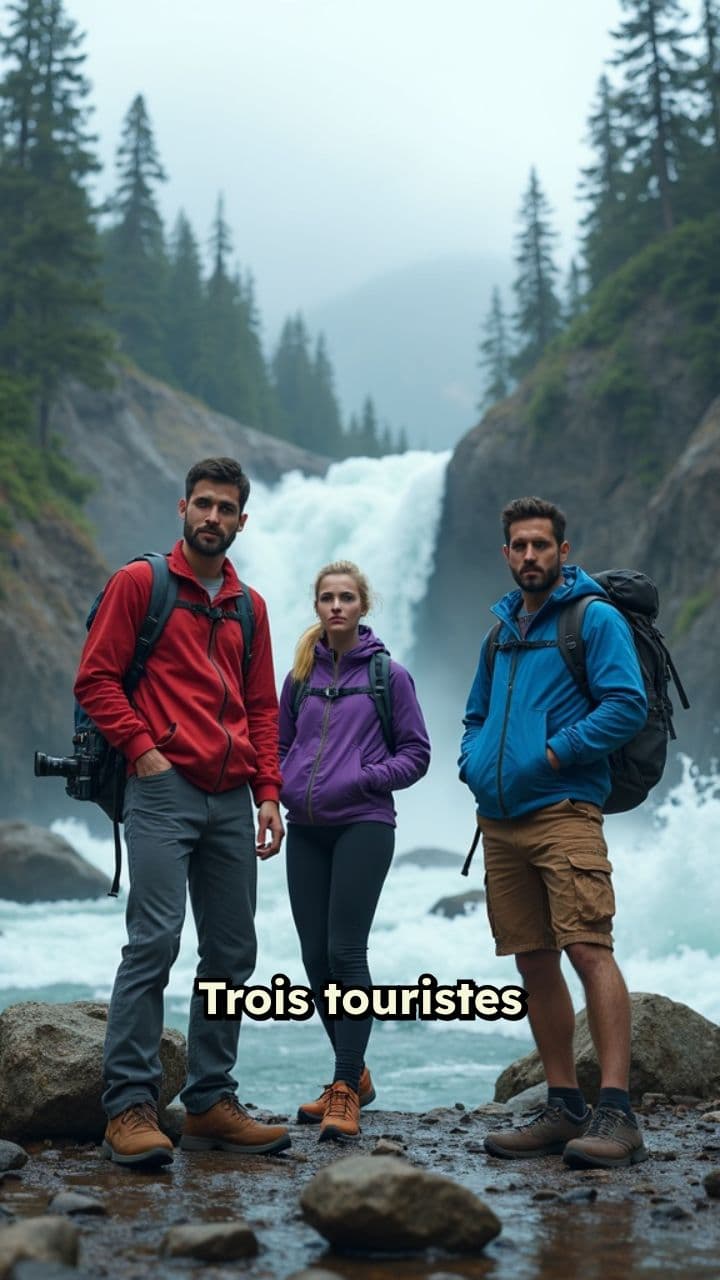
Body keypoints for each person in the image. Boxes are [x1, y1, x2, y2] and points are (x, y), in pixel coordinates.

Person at [74, 456, 290, 1168]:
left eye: (226, 508)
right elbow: (96, 679)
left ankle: (209, 1101)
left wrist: (267, 792)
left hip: (232, 796)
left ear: (242, 521)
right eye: (203, 504)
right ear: (183, 508)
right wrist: (143, 751)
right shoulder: (142, 584)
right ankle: (130, 1107)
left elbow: (262, 708)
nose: (212, 517)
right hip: (163, 788)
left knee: (232, 951)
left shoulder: (249, 607)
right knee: (155, 941)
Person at [458, 496, 649, 1170]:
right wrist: (475, 762)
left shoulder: (591, 618)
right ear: (506, 553)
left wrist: (554, 754)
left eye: (541, 544)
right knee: (533, 959)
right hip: (500, 822)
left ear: (563, 552)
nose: (530, 555)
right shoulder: (500, 632)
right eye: (519, 545)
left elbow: (627, 703)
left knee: (588, 948)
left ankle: (617, 1113)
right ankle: (563, 1104)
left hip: (564, 810)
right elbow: (475, 714)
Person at [279, 560, 430, 1140]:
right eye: (327, 598)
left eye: (346, 597)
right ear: (317, 606)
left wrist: (364, 779)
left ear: (363, 605)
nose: (336, 606)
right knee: (314, 958)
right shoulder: (299, 676)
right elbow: (279, 744)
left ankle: (344, 1089)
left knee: (346, 952)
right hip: (305, 826)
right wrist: (283, 785)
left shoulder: (390, 676)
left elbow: (416, 753)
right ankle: (354, 1073)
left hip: (364, 823)